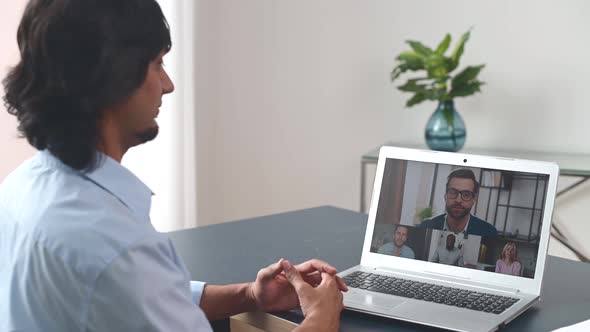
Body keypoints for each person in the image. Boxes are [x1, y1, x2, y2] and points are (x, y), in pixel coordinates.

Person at [0, 1, 346, 331]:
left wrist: (250, 295)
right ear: (113, 75)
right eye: (157, 65)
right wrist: (321, 317)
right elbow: (128, 285)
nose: (168, 85)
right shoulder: (118, 248)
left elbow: (137, 305)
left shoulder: (20, 189)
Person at [421, 168, 497, 238]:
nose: (458, 200)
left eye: (466, 194)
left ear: (474, 199)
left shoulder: (489, 233)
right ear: (445, 195)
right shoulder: (426, 226)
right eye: (453, 192)